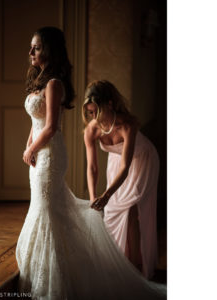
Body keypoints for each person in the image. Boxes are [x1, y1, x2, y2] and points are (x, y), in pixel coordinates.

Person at [15, 26, 166, 299]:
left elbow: (50, 127)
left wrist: (33, 148)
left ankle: (66, 276)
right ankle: (47, 270)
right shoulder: (40, 82)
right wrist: (29, 146)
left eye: (36, 47)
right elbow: (36, 124)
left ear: (48, 49)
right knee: (44, 208)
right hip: (38, 152)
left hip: (50, 155)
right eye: (31, 47)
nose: (30, 52)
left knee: (48, 210)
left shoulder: (54, 84)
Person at [82, 80, 160, 279]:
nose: (94, 117)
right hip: (116, 163)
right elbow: (92, 167)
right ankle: (120, 262)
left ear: (109, 104)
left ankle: (135, 270)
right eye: (90, 112)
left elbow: (127, 167)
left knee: (132, 210)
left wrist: (107, 194)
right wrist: (93, 198)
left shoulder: (128, 124)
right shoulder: (91, 130)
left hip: (142, 160)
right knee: (112, 212)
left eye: (97, 111)